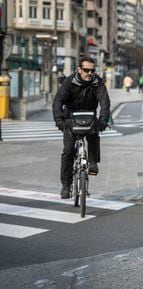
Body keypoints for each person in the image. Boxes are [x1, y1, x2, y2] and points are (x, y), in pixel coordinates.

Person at [53, 56, 111, 199]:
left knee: (94, 136)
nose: (89, 73)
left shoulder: (97, 82)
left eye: (92, 70)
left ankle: (92, 162)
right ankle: (66, 184)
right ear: (79, 69)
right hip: (70, 119)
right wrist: (59, 120)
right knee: (67, 152)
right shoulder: (69, 82)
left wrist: (103, 120)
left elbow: (105, 101)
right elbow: (58, 100)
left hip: (89, 117)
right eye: (86, 70)